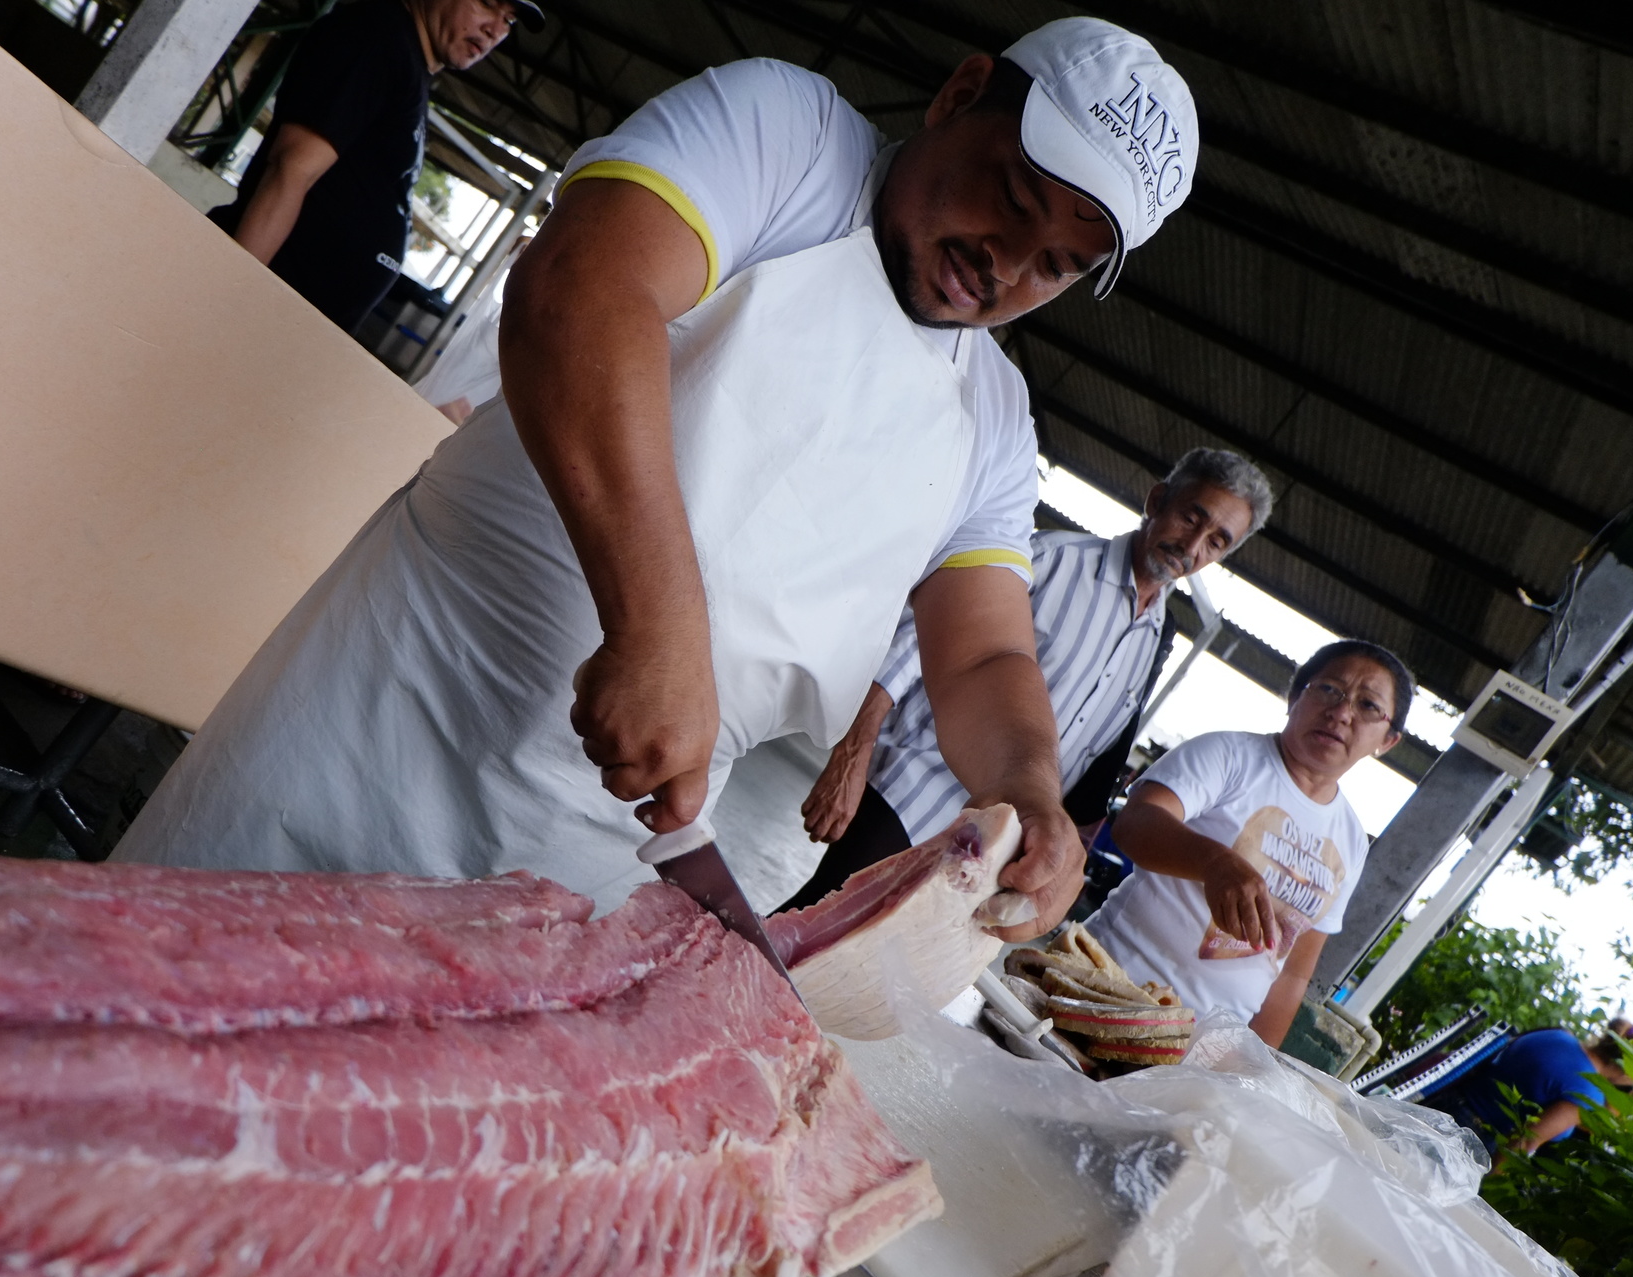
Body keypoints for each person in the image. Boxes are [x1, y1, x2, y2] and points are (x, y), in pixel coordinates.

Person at [117, 20, 1201, 937]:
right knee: (122, 1035)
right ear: (960, 94)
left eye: (1056, 263)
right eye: (1010, 196)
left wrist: (1023, 788)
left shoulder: (995, 423)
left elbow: (984, 649)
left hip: (598, 850)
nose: (1007, 262)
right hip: (395, 701)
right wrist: (656, 624)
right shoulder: (788, 139)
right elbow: (581, 289)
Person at [786, 447, 1272, 910]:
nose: (1192, 545)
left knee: (857, 976)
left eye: (1216, 541)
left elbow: (1083, 756)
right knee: (809, 930)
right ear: (1156, 500)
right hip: (914, 792)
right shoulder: (1053, 559)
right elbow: (919, 637)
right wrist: (854, 750)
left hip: (988, 846)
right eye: (1191, 516)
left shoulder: (1154, 637)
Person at [1083, 640, 1413, 1046]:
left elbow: (1292, 971)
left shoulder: (1350, 840)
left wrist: (1249, 1069)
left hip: (1197, 1047)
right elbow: (1135, 822)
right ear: (1295, 696)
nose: (1342, 713)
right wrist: (1214, 862)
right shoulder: (1230, 756)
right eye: (1329, 689)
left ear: (1388, 740)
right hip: (1101, 987)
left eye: (1368, 706)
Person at [208, 0, 543, 331]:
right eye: (487, 3)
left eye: (509, 20)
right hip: (260, 311)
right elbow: (290, 168)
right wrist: (222, 303)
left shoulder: (411, 65)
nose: (496, 30)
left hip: (290, 324)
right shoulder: (377, 38)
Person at [1420, 1025, 1633, 1156]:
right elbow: (1522, 1144)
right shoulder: (1587, 1093)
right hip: (1463, 1141)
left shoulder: (1558, 1036)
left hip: (1439, 1102)